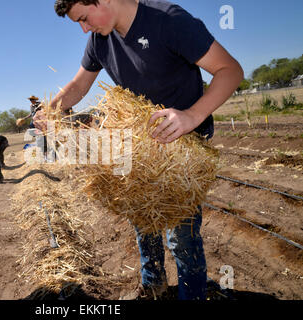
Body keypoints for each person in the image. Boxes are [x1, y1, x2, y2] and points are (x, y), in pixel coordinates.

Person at [34, 0, 244, 300]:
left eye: (83, 18)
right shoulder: (99, 40)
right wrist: (50, 110)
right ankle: (153, 285)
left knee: (181, 238)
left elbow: (230, 70)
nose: (84, 29)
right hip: (137, 152)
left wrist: (191, 116)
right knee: (143, 224)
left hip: (181, 152)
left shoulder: (168, 20)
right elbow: (79, 86)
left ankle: (192, 294)